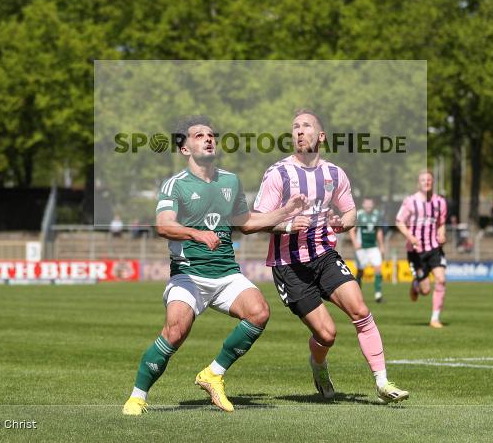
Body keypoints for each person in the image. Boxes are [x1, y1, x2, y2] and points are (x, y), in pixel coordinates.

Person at [122, 116, 307, 415]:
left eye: (211, 135)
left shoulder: (230, 181)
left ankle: (213, 373)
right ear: (184, 149)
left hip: (226, 274)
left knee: (259, 312)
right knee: (175, 332)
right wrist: (196, 233)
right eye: (198, 136)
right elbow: (164, 225)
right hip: (188, 276)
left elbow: (245, 223)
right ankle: (137, 396)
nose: (208, 139)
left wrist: (285, 213)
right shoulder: (175, 185)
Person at [254, 110, 409, 404]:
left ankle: (382, 382)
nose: (300, 131)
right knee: (327, 335)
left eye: (307, 126)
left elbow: (350, 211)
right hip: (290, 266)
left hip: (325, 256)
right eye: (295, 127)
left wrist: (343, 221)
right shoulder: (278, 173)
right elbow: (257, 220)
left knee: (361, 310)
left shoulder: (334, 174)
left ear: (321, 136)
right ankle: (319, 365)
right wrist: (286, 223)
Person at [395, 170, 448, 328]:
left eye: (429, 180)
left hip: (434, 248)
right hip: (416, 251)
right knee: (425, 290)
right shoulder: (410, 201)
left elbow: (442, 222)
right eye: (423, 180)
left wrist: (442, 234)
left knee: (441, 279)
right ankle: (416, 284)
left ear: (433, 182)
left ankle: (435, 318)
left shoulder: (440, 202)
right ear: (418, 183)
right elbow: (399, 221)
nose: (427, 182)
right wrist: (410, 237)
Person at [350, 198, 386, 303]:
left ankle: (378, 295)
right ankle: (358, 295)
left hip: (373, 247)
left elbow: (378, 231)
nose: (369, 205)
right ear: (363, 204)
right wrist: (355, 243)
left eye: (370, 203)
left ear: (373, 204)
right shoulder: (359, 214)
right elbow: (352, 230)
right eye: (367, 204)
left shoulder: (377, 214)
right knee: (360, 272)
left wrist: (382, 245)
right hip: (361, 248)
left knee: (378, 268)